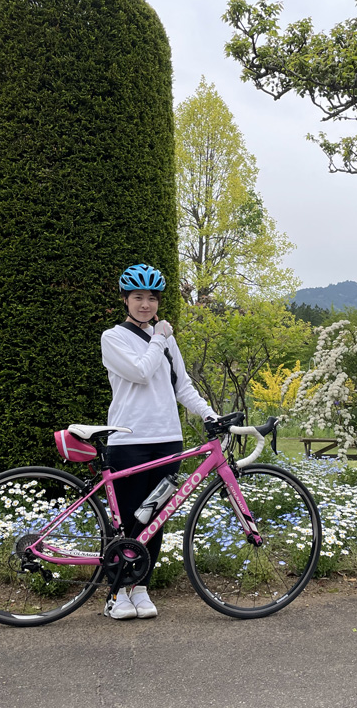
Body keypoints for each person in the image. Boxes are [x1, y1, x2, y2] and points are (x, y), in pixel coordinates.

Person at [99, 263, 216, 620]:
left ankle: (141, 587)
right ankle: (117, 593)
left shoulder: (165, 340)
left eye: (152, 298)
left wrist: (210, 414)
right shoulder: (113, 338)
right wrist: (159, 338)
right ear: (125, 300)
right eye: (138, 297)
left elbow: (182, 386)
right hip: (128, 439)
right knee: (127, 521)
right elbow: (139, 371)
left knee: (154, 518)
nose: (146, 305)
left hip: (168, 440)